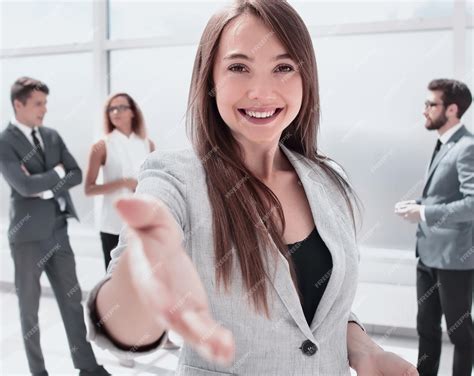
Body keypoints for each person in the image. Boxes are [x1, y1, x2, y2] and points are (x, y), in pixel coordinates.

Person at [87, 1, 418, 375]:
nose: (261, 91)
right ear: (209, 80)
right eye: (238, 67)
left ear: (305, 78)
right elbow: (130, 326)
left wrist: (365, 350)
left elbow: (318, 313)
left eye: (283, 68)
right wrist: (142, 273)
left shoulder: (326, 180)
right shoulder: (176, 179)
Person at [0, 77, 110, 376]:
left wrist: (46, 186)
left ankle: (87, 366)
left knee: (73, 302)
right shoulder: (5, 141)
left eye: (45, 103)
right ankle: (39, 372)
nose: (44, 109)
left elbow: (74, 173)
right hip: (28, 238)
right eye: (38, 104)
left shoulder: (51, 135)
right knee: (29, 311)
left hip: (59, 233)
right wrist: (56, 174)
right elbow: (23, 185)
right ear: (18, 104)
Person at [84, 93, 179, 361]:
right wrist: (122, 183)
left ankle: (164, 333)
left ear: (133, 112)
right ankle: (120, 343)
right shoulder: (101, 146)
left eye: (121, 108)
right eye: (111, 109)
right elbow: (89, 188)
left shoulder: (147, 144)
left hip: (143, 223)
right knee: (117, 282)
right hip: (113, 225)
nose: (116, 112)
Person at [395, 79, 473, 376]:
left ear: (452, 109)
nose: (424, 110)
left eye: (431, 104)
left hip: (454, 258)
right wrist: (416, 204)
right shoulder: (444, 142)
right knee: (426, 328)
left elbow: (471, 204)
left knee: (460, 333)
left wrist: (424, 212)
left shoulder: (467, 147)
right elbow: (445, 195)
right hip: (428, 253)